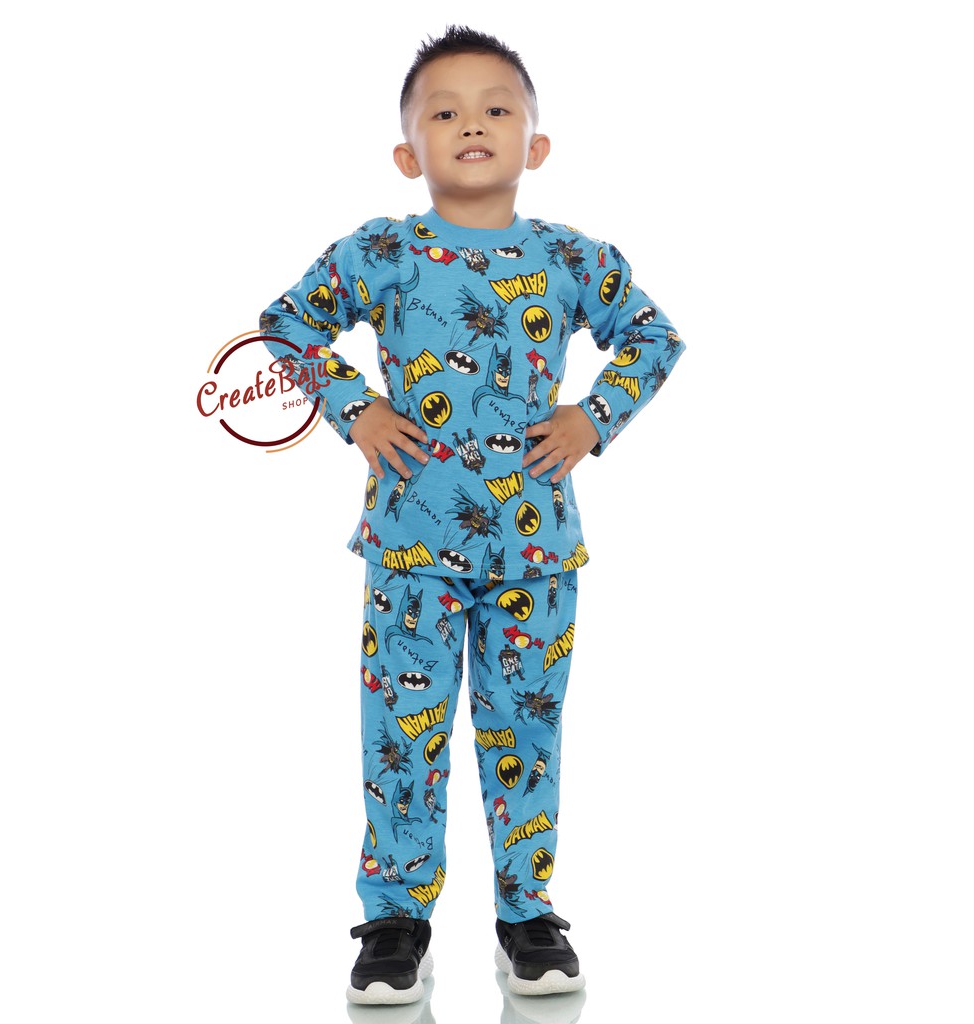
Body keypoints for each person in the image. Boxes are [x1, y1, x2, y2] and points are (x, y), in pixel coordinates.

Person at [259, 25, 686, 1006]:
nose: (472, 124)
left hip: (536, 550)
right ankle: (394, 921)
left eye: (497, 107)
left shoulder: (571, 257)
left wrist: (593, 417)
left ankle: (526, 914)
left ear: (537, 142)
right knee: (401, 735)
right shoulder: (382, 251)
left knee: (523, 732)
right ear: (408, 153)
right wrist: (355, 409)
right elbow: (285, 325)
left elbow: (653, 337)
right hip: (410, 544)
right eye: (443, 112)